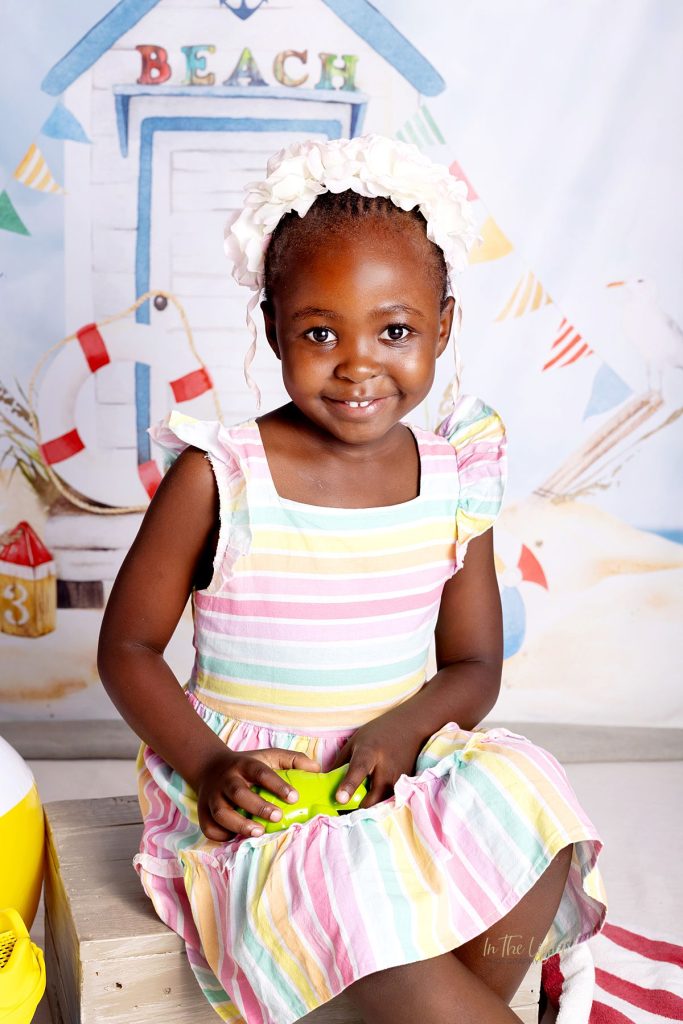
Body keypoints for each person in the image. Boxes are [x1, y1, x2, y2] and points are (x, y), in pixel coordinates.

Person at [98, 135, 607, 1024]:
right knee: (373, 937)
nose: (358, 362)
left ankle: (449, 997)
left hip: (392, 768)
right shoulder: (222, 475)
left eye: (396, 330)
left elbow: (474, 664)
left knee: (536, 810)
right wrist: (209, 764)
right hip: (267, 792)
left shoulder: (453, 478)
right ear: (272, 331)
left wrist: (404, 729)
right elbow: (129, 647)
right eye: (320, 332)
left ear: (443, 325)